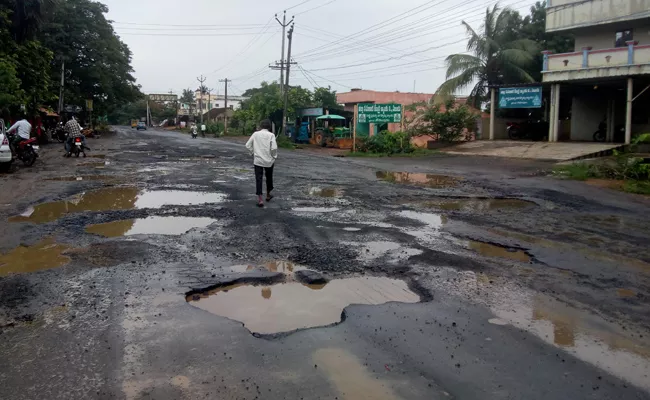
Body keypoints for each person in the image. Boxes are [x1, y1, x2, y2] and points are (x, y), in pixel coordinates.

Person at [245, 119, 278, 207]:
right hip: (269, 160)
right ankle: (268, 195)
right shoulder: (271, 135)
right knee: (269, 177)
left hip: (258, 160)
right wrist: (274, 156)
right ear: (269, 127)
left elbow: (247, 145)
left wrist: (253, 152)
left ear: (261, 126)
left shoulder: (255, 134)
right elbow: (274, 148)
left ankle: (260, 199)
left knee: (258, 179)